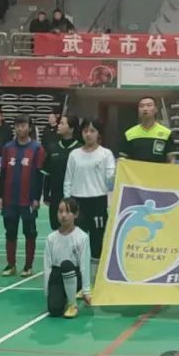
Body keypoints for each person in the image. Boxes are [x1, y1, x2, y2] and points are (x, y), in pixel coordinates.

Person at [64, 118, 116, 279]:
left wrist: (117, 173)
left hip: (97, 201)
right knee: (77, 241)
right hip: (77, 202)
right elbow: (68, 180)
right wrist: (67, 203)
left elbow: (110, 182)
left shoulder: (106, 154)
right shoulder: (74, 155)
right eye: (85, 130)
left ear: (98, 134)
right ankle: (78, 277)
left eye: (92, 131)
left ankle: (95, 278)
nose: (88, 134)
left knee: (96, 241)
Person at [0, 115, 46, 277]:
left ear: (30, 128)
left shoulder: (37, 148)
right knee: (10, 232)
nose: (20, 129)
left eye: (23, 125)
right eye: (17, 126)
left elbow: (39, 175)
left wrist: (37, 198)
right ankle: (10, 265)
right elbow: (3, 173)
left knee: (29, 233)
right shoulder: (7, 147)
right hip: (9, 199)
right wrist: (0, 196)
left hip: (28, 200)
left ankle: (28, 266)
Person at [43, 198, 93, 319]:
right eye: (60, 211)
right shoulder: (51, 238)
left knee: (66, 265)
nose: (63, 215)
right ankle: (64, 296)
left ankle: (72, 304)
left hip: (74, 275)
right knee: (54, 310)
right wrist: (47, 290)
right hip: (57, 275)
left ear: (76, 214)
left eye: (68, 211)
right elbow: (47, 266)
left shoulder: (82, 237)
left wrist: (86, 291)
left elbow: (84, 266)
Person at [43, 115, 81, 231]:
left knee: (74, 230)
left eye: (62, 123)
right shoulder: (52, 148)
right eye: (59, 123)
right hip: (55, 196)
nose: (59, 126)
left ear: (72, 128)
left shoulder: (79, 149)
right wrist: (46, 195)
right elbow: (47, 174)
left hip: (75, 196)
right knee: (56, 227)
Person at [119, 96, 175, 163]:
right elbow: (123, 159)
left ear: (156, 109)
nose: (145, 109)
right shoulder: (129, 134)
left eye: (149, 105)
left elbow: (171, 159)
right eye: (141, 106)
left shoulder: (166, 133)